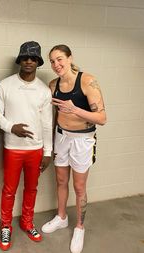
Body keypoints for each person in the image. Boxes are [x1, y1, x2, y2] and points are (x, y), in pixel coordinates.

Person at [41, 44, 107, 253]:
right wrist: (49, 144)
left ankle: (79, 227)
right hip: (61, 137)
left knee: (79, 187)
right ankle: (61, 217)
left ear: (70, 58)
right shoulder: (53, 85)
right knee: (61, 180)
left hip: (83, 140)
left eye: (60, 59)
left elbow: (102, 118)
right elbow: (49, 116)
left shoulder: (87, 81)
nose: (56, 64)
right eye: (52, 61)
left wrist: (74, 109)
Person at [0, 41, 53, 251]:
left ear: (38, 62)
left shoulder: (43, 90)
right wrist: (11, 127)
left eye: (33, 58)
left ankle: (27, 222)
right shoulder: (5, 85)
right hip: (13, 148)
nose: (29, 61)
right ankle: (6, 225)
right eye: (25, 57)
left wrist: (47, 152)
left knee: (32, 188)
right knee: (9, 189)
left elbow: (47, 123)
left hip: (35, 150)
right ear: (20, 60)